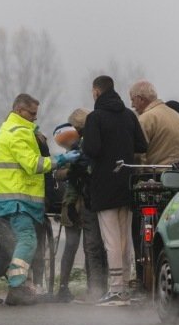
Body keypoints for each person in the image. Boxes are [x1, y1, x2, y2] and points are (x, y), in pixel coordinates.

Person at [0, 93, 79, 306]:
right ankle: (16, 285)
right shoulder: (19, 133)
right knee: (27, 240)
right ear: (19, 110)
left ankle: (19, 285)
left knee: (18, 243)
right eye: (32, 113)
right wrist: (61, 159)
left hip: (6, 197)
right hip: (16, 198)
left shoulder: (7, 129)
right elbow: (33, 165)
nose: (35, 118)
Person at [83, 76, 148, 306]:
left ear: (96, 92)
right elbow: (142, 145)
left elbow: (91, 149)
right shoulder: (129, 116)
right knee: (124, 240)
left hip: (104, 185)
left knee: (110, 239)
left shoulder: (95, 118)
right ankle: (126, 286)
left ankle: (116, 289)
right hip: (127, 183)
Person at [67, 108, 108, 302]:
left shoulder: (82, 147)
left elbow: (75, 176)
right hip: (104, 197)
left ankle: (95, 290)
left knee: (91, 246)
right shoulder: (102, 141)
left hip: (89, 200)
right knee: (105, 244)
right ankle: (105, 287)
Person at [52, 123, 83, 302]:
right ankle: (65, 287)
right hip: (79, 204)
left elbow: (58, 174)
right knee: (83, 245)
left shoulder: (72, 153)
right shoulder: (83, 147)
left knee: (72, 246)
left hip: (73, 204)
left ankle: (63, 286)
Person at [129, 80, 179, 166]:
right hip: (178, 176)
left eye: (132, 100)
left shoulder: (145, 119)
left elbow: (139, 155)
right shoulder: (178, 117)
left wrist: (138, 175)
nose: (132, 105)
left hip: (153, 176)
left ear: (140, 99)